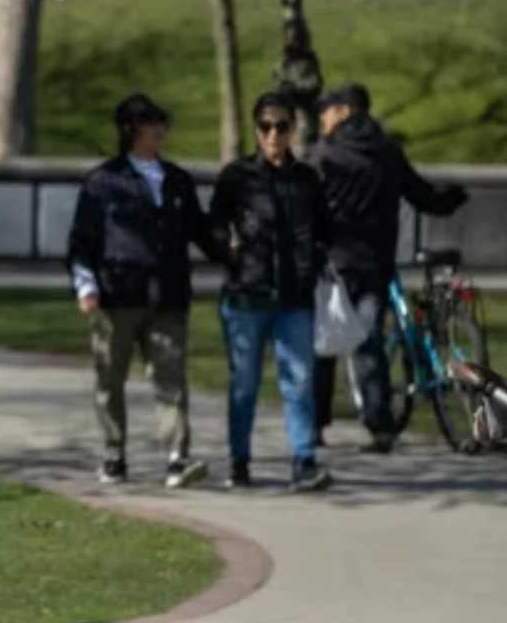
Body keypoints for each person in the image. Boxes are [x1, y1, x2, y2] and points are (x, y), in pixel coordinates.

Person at [65, 94, 219, 489]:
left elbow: (200, 232)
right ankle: (114, 453)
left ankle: (176, 456)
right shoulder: (103, 182)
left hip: (167, 294)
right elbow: (82, 240)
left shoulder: (177, 180)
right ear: (131, 129)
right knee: (109, 378)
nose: (161, 131)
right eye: (153, 124)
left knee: (171, 376)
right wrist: (85, 286)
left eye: (162, 123)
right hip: (117, 293)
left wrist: (235, 255)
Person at [307, 81, 468, 451]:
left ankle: (315, 424)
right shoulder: (387, 152)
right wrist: (453, 199)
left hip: (335, 263)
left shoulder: (325, 155)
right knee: (369, 342)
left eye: (326, 110)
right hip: (377, 262)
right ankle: (380, 427)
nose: (321, 118)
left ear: (344, 112)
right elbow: (423, 196)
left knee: (325, 343)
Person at [210, 92, 334, 491]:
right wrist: (231, 257)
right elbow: (212, 225)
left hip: (294, 298)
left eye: (281, 125)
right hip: (247, 295)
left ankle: (304, 460)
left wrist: (313, 260)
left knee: (298, 380)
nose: (274, 134)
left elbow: (325, 229)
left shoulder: (306, 179)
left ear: (293, 129)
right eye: (266, 126)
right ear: (256, 129)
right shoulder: (238, 176)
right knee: (244, 384)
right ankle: (239, 460)